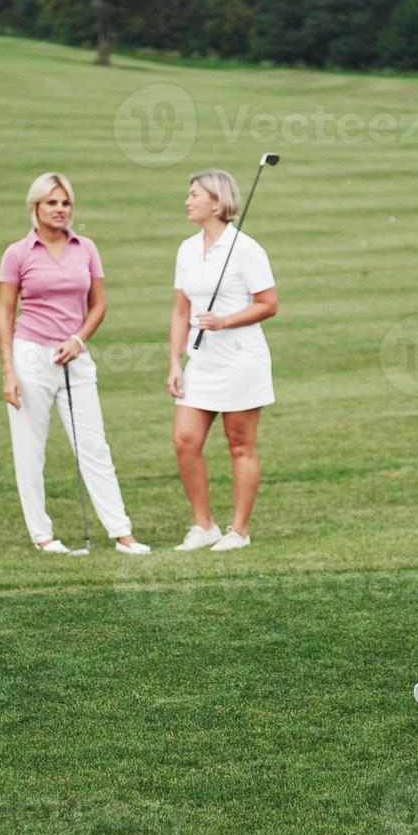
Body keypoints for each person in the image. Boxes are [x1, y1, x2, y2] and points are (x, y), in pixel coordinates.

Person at [0, 172, 149, 557]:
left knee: (95, 447)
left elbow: (98, 304)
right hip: (30, 356)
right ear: (36, 207)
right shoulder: (18, 253)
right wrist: (9, 371)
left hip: (76, 357)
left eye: (66, 203)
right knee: (30, 450)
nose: (60, 210)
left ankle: (122, 533)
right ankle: (42, 535)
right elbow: (4, 312)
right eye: (52, 203)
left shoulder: (87, 248)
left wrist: (79, 339)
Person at [167, 170, 279, 552]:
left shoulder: (246, 249)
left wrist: (224, 321)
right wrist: (174, 362)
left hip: (241, 361)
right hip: (201, 362)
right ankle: (204, 525)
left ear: (216, 202)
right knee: (185, 440)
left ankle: (239, 531)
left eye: (194, 194)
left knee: (239, 444)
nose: (188, 200)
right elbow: (181, 310)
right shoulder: (186, 249)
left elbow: (269, 304)